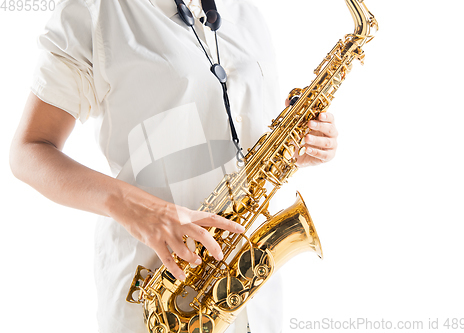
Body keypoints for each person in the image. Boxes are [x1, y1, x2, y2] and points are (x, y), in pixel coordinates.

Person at [9, 0, 338, 332]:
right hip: (163, 297)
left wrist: (303, 141)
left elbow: (245, 129)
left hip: (253, 298)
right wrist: (136, 207)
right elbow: (29, 150)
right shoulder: (95, 9)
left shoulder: (244, 10)